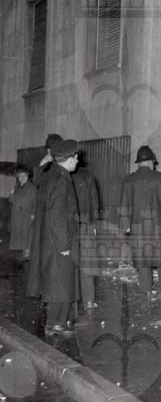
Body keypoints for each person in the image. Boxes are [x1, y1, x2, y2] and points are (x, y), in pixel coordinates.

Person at [27, 138, 80, 337]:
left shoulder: (50, 176)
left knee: (56, 281)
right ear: (69, 159)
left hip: (50, 240)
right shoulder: (61, 180)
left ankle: (57, 322)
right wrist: (63, 244)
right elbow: (57, 215)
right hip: (59, 240)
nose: (77, 161)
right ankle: (56, 324)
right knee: (61, 282)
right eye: (76, 157)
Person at [119, 145, 161, 300]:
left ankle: (146, 290)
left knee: (142, 257)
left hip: (138, 226)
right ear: (150, 162)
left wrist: (126, 225)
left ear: (139, 163)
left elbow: (124, 204)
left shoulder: (129, 179)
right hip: (158, 225)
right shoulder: (160, 178)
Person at [72, 156, 100, 310]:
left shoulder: (63, 176)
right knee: (87, 262)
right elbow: (95, 203)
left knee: (70, 262)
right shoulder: (88, 176)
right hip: (86, 224)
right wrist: (94, 225)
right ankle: (88, 300)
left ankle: (72, 300)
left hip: (68, 225)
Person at [8, 167, 37, 261]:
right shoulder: (16, 187)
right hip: (16, 214)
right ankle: (22, 254)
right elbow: (10, 200)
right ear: (18, 177)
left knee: (27, 233)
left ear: (27, 176)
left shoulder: (32, 187)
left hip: (26, 213)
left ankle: (27, 254)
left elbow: (35, 202)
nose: (22, 177)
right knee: (18, 234)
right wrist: (11, 194)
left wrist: (33, 214)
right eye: (20, 176)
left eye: (24, 175)